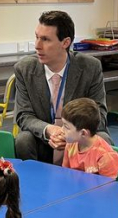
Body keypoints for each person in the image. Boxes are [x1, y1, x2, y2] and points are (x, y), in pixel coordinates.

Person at [14, 10, 111, 163]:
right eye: (37, 37)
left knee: (104, 138)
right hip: (44, 139)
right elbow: (23, 115)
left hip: (79, 137)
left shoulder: (90, 67)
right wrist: (49, 130)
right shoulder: (24, 69)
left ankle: (93, 186)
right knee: (23, 140)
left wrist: (73, 134)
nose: (37, 46)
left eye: (45, 39)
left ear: (65, 43)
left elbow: (100, 114)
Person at [61, 98, 118, 178]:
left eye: (66, 127)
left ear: (83, 133)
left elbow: (108, 188)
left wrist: (92, 180)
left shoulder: (106, 157)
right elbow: (65, 174)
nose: (62, 130)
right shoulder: (70, 144)